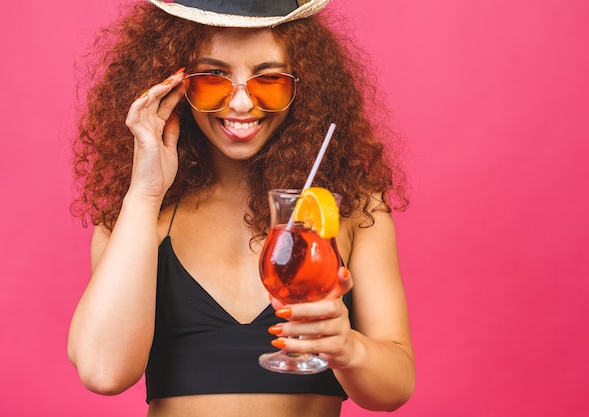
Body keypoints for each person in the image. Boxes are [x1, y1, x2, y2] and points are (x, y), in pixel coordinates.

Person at [67, 1, 415, 416]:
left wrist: (347, 347)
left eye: (269, 79)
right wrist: (145, 193)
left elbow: (395, 387)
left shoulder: (350, 208)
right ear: (174, 85)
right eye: (213, 78)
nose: (241, 105)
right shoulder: (141, 215)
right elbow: (103, 372)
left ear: (305, 85)